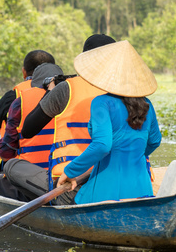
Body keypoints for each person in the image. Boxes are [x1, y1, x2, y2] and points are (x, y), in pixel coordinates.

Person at [0, 34, 115, 203]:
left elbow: (28, 129)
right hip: (117, 182)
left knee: (11, 166)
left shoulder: (66, 89)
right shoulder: (133, 96)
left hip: (70, 186)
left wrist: (50, 92)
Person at [54, 40, 161, 204]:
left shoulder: (101, 102)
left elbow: (103, 145)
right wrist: (134, 155)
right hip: (143, 191)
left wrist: (70, 171)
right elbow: (154, 141)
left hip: (104, 194)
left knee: (59, 195)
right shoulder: (147, 104)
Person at [0, 49, 56, 178]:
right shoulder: (65, 93)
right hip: (58, 163)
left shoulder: (14, 96)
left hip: (20, 167)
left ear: (24, 72)